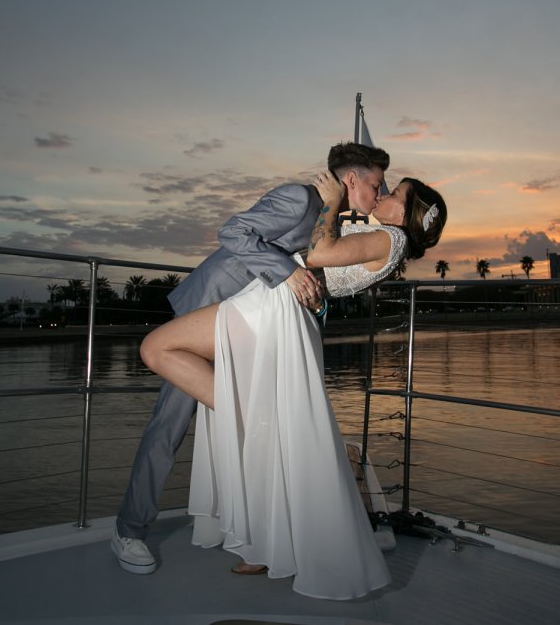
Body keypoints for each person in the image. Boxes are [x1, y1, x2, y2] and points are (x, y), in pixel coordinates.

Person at [141, 172, 447, 599]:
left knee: (156, 348)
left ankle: (258, 430)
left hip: (272, 307)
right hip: (282, 310)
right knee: (263, 428)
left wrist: (330, 199)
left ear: (406, 214)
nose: (385, 193)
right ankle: (268, 542)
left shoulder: (388, 240)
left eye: (395, 193)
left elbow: (319, 253)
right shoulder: (385, 241)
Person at [112, 142, 390, 575]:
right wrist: (288, 272)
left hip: (251, 329)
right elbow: (233, 232)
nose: (379, 192)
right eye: (376, 184)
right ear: (351, 179)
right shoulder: (299, 198)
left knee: (260, 425)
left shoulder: (329, 217)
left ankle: (265, 538)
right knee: (170, 424)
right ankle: (128, 530)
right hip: (212, 310)